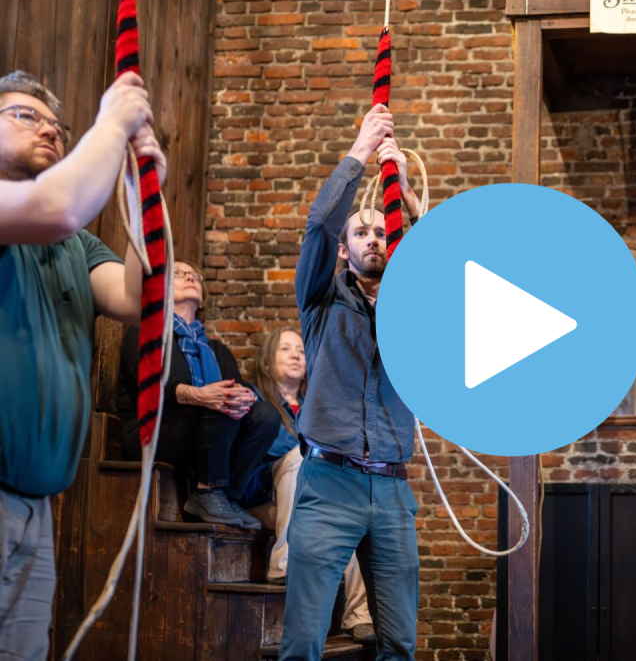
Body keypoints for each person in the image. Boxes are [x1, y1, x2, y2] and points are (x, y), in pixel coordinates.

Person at [0, 69, 161, 659]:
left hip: (36, 502)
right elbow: (59, 205)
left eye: (58, 127)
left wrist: (145, 200)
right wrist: (114, 122)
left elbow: (137, 299)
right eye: (24, 115)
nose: (48, 129)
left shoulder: (72, 244)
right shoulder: (35, 210)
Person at [279, 105, 422, 660]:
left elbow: (453, 267)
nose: (373, 239)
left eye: (382, 233)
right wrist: (361, 151)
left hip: (392, 488)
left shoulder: (412, 311)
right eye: (360, 232)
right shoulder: (319, 297)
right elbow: (318, 224)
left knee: (399, 643)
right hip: (328, 480)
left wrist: (406, 198)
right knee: (304, 640)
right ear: (345, 248)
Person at [117, 259, 281, 529]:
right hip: (154, 427)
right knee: (219, 402)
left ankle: (225, 496)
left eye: (195, 276)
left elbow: (235, 393)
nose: (191, 278)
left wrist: (245, 398)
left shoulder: (217, 350)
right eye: (180, 274)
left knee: (266, 415)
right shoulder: (145, 330)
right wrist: (198, 395)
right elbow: (150, 383)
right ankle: (206, 491)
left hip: (205, 433)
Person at [248, 327, 376, 644]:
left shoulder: (312, 404)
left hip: (312, 500)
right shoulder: (255, 398)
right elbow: (268, 452)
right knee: (297, 458)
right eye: (285, 349)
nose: (295, 355)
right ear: (266, 361)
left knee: (357, 523)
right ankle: (283, 564)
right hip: (265, 498)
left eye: (301, 350)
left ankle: (358, 617)